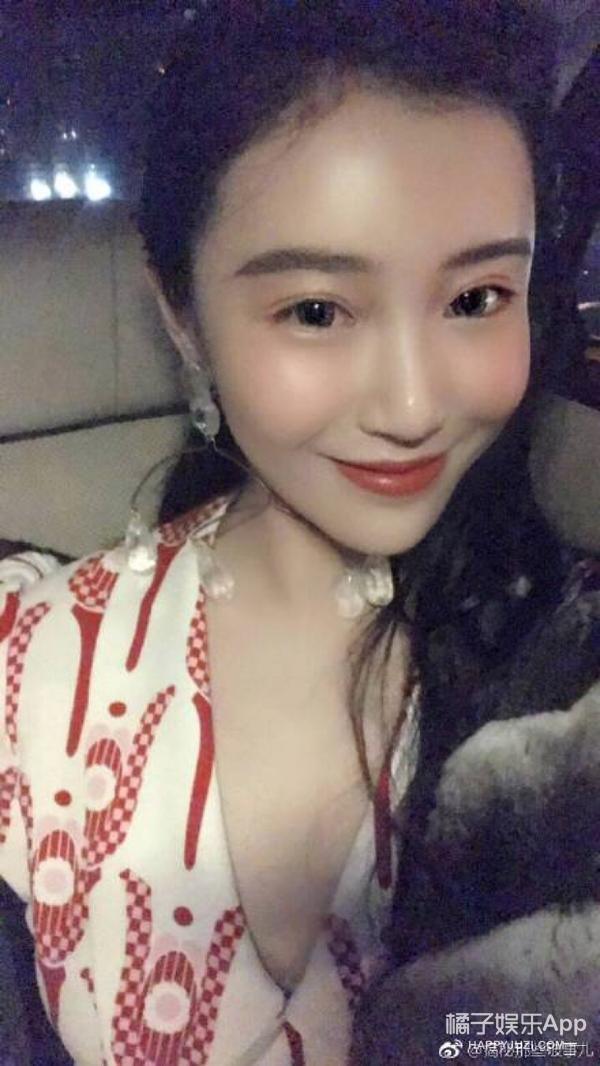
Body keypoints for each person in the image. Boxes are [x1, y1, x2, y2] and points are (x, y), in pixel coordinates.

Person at [1, 2, 598, 1064]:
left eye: (475, 298)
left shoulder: (566, 675)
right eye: (317, 311)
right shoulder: (35, 661)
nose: (413, 405)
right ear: (183, 315)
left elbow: (542, 1028)